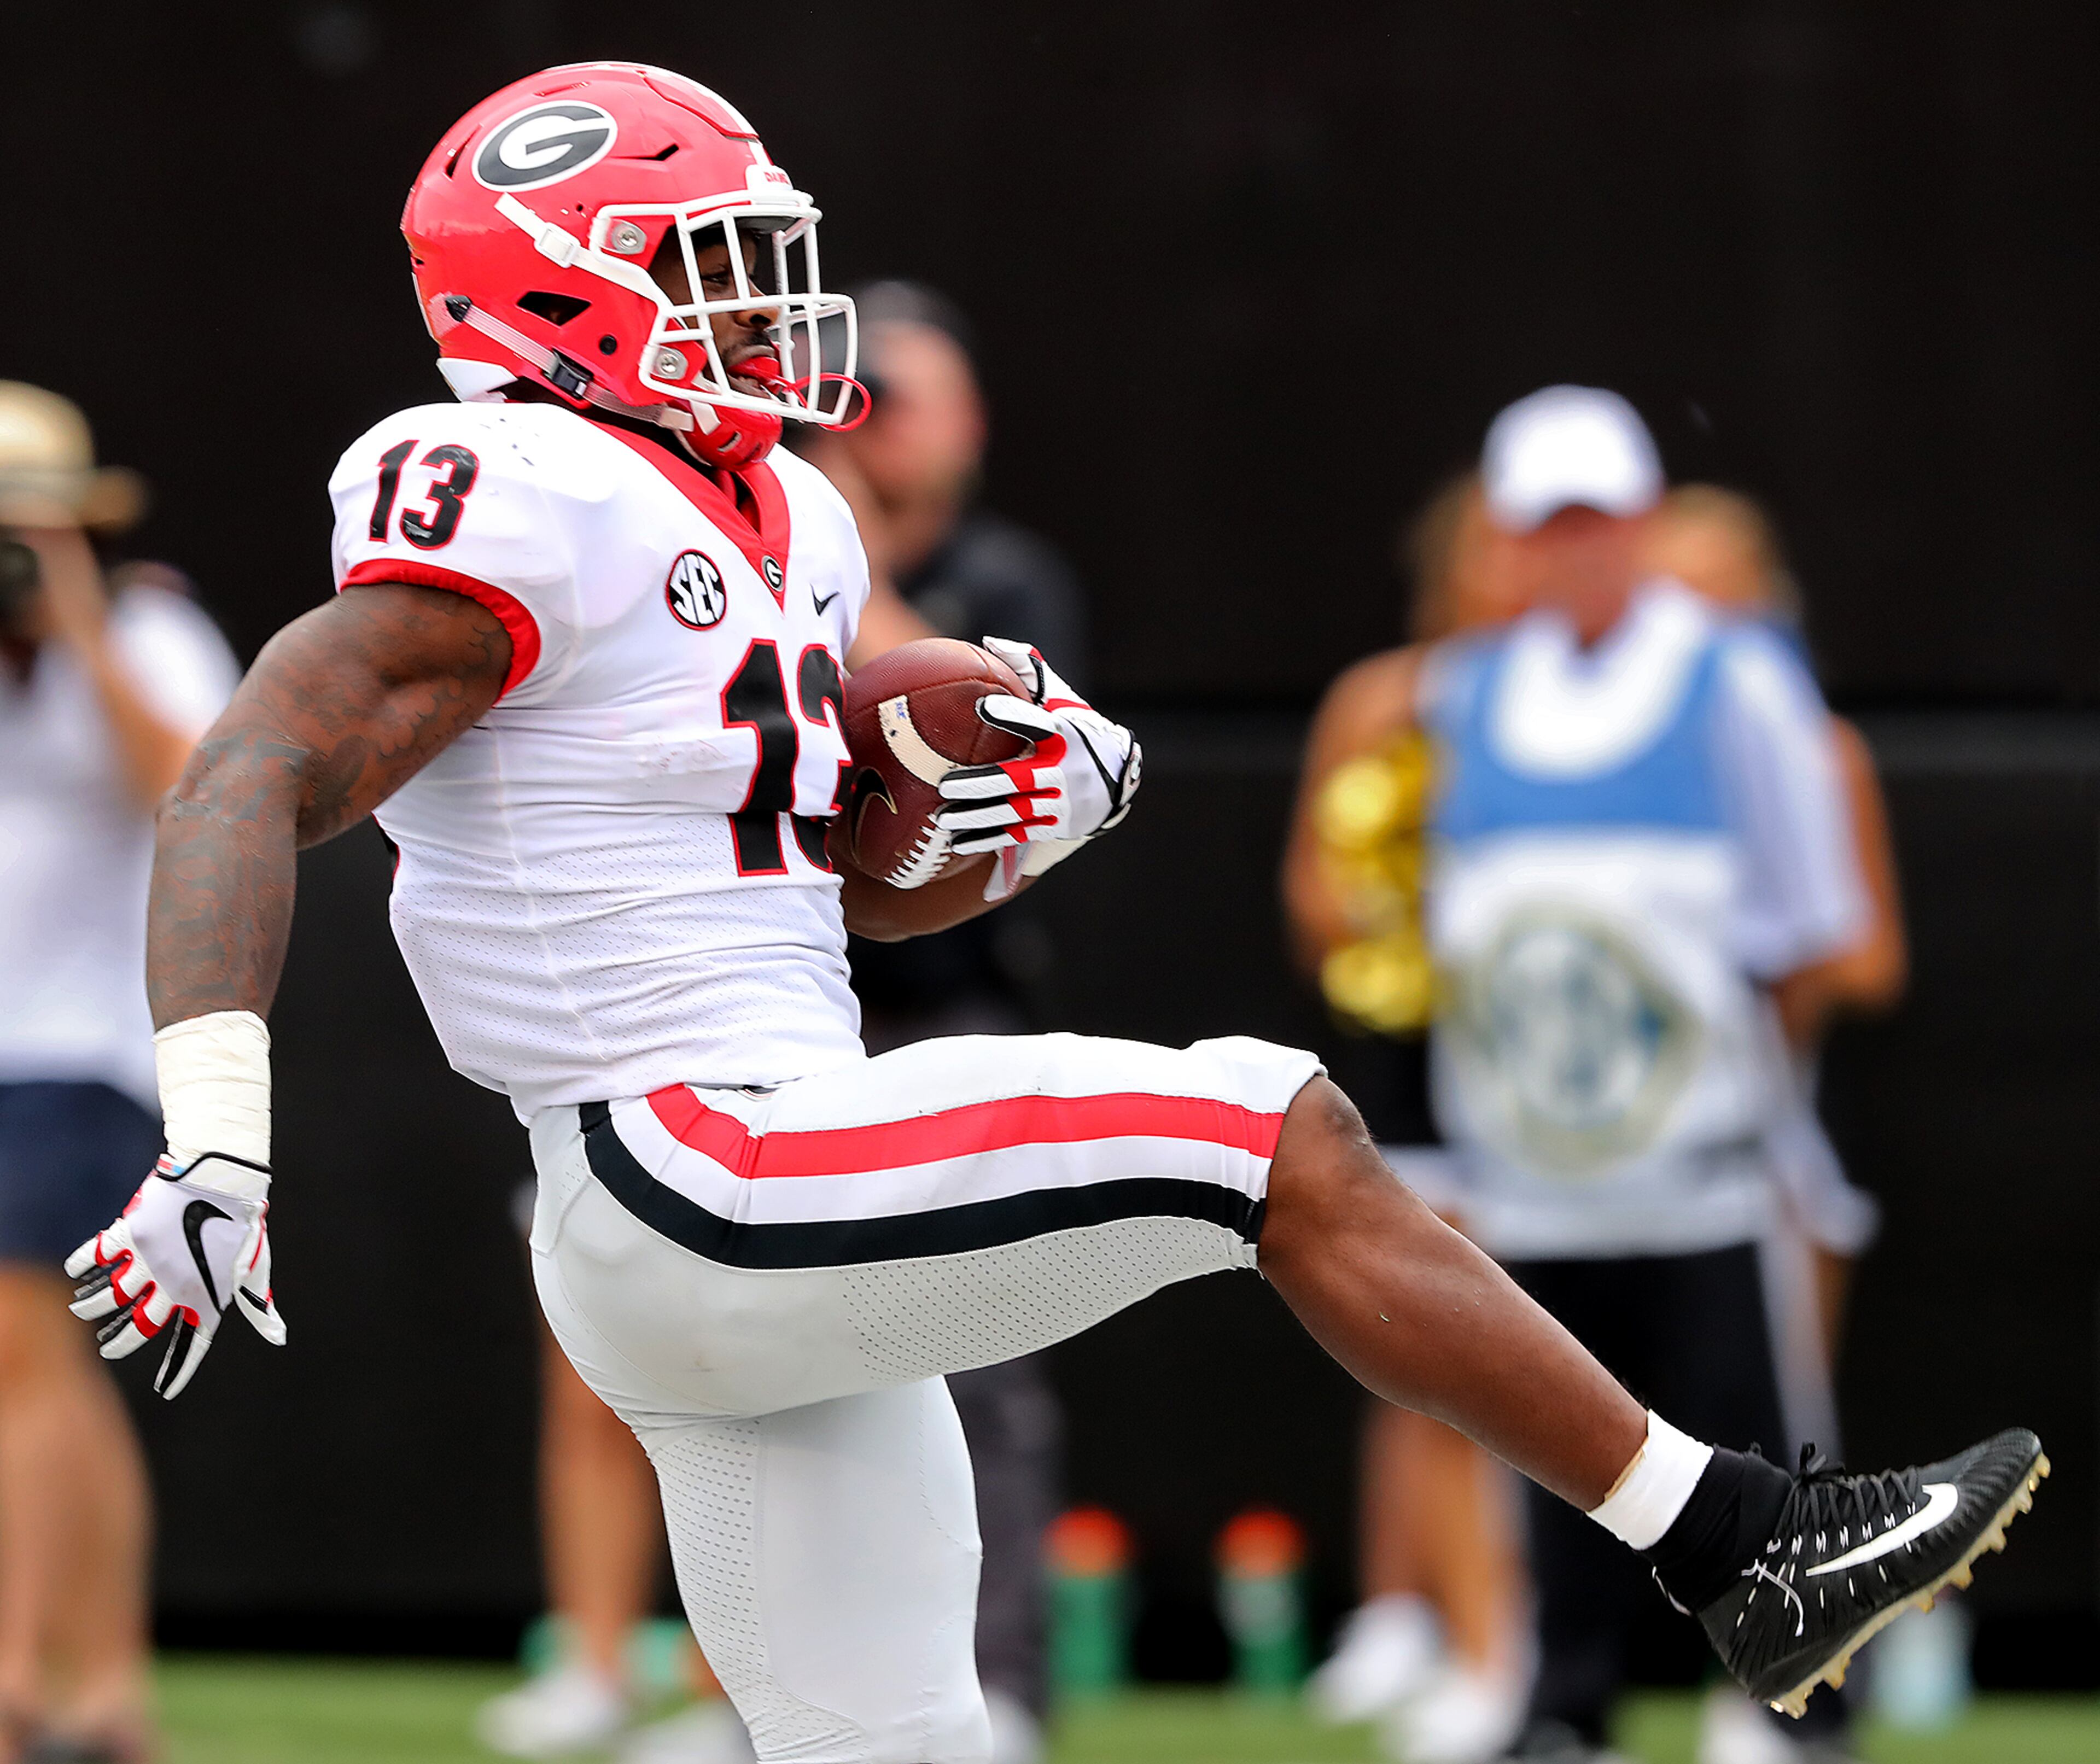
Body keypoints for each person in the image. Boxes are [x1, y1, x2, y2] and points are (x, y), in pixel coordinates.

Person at [63, 66, 2039, 1764]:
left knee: (904, 1736)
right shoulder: (512, 479)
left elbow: (840, 885)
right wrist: (216, 1133)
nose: (767, 304)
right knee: (1272, 1130)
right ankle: (1745, 1542)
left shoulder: (793, 513)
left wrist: (1005, 831)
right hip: (686, 1162)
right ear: (563, 294)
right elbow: (247, 769)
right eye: (709, 264)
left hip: (763, 1162)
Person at [1407, 388, 1921, 1762]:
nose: (1573, 551)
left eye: (1597, 521)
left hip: (1704, 1167)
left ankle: (1795, 1703)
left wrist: (1731, 1095)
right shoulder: (1461, 694)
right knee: (1547, 1438)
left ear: (1640, 523)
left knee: (1753, 1439)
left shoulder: (1737, 679)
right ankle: (1565, 1703)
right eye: (1545, 525)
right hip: (1533, 1176)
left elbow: (1809, 924)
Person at [1642, 486, 1909, 1764]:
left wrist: (1747, 1024)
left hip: (1772, 1145)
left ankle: (1796, 1688)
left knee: (1777, 1414)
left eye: (1716, 593)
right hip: (1630, 1156)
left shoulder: (1811, 745)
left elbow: (1860, 953)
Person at [0, 384, 240, 1763]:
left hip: (84, 1053)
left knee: (21, 1349)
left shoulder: (148, 631)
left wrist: (81, 625)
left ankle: (19, 1681)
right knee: (47, 1377)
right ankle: (106, 1695)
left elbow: (188, 790)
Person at [1285, 477, 1531, 1764]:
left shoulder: (1591, 706)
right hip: (1428, 1063)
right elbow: (1319, 901)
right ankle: (1444, 1631)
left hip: (1568, 1081)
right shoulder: (1384, 699)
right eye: (1502, 548)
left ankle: (1525, 1646)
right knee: (1437, 1345)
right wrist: (1416, 935)